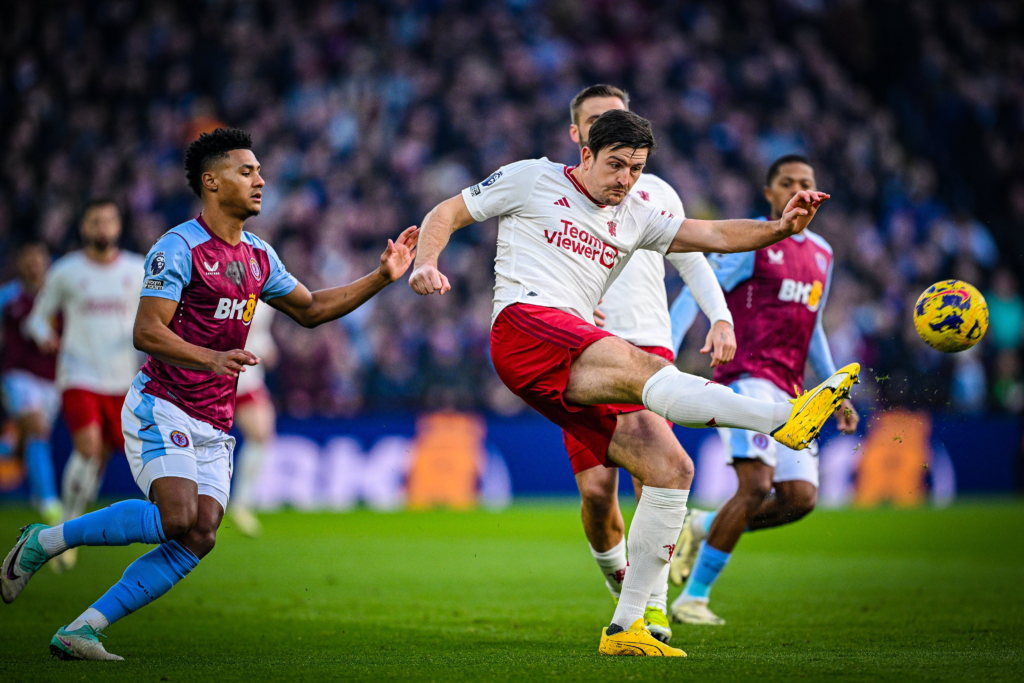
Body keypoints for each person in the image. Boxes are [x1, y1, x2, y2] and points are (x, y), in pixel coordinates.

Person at [409, 109, 858, 656]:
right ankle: (785, 419)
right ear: (586, 156)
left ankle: (628, 627)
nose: (625, 179)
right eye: (616, 165)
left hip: (571, 349)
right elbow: (448, 211)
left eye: (637, 168)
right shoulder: (534, 177)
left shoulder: (638, 213)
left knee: (672, 470)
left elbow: (711, 234)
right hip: (526, 326)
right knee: (649, 374)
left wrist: (780, 228)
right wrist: (426, 262)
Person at [1, 128, 420, 661]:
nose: (260, 180)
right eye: (247, 171)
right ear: (211, 182)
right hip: (162, 402)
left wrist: (381, 277)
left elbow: (312, 309)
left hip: (214, 422)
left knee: (200, 535)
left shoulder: (259, 256)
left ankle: (82, 629)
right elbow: (147, 331)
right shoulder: (177, 248)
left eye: (260, 170)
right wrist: (212, 358)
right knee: (176, 517)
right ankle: (44, 542)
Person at [562, 85, 736, 644]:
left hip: (647, 347)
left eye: (618, 117)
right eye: (597, 122)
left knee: (656, 477)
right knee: (595, 494)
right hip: (582, 353)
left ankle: (651, 608)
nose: (610, 127)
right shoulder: (552, 196)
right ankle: (628, 590)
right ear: (578, 137)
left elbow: (691, 257)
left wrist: (720, 315)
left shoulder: (654, 192)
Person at [666, 155, 859, 625]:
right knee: (754, 486)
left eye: (807, 182)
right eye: (787, 183)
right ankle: (693, 598)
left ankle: (703, 525)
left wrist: (836, 390)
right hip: (746, 377)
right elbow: (697, 287)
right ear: (771, 194)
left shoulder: (822, 255)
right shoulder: (753, 240)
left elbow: (811, 328)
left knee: (799, 499)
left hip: (792, 391)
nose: (799, 188)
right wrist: (663, 354)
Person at [25, 199, 145, 571]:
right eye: (96, 221)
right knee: (89, 446)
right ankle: (63, 532)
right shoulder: (66, 271)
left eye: (109, 220)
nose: (104, 227)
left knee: (100, 457)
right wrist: (44, 335)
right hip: (79, 374)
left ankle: (69, 529)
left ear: (118, 225)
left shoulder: (137, 268)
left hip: (122, 379)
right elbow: (36, 320)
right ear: (84, 227)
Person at [0, 244, 62, 524]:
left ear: (47, 263)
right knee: (36, 425)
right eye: (28, 259)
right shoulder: (7, 297)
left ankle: (11, 447)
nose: (33, 265)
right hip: (17, 376)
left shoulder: (60, 296)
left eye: (38, 260)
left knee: (36, 437)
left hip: (53, 380)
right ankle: (49, 502)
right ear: (19, 263)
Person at [227, 299, 276, 537]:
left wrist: (266, 348)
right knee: (194, 439)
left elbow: (260, 334)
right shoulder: (214, 284)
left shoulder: (265, 301)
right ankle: (165, 496)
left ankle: (242, 504)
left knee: (261, 433)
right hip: (210, 375)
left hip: (247, 379)